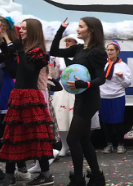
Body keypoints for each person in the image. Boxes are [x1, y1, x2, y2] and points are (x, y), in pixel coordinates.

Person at [50, 17, 106, 186]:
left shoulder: (97, 52)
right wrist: (61, 29)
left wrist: (85, 84)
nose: (77, 29)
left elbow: (101, 79)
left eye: (81, 27)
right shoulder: (79, 49)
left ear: (91, 30)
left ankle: (79, 180)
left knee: (73, 139)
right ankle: (96, 177)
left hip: (90, 99)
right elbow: (54, 50)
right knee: (83, 140)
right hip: (81, 98)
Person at [0, 19, 54, 186]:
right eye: (20, 28)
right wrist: (4, 41)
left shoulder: (38, 52)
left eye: (24, 28)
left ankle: (46, 174)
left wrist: (18, 50)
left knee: (37, 135)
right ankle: (9, 175)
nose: (20, 31)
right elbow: (14, 71)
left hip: (30, 96)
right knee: (13, 135)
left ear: (32, 31)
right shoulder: (23, 50)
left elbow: (29, 71)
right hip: (18, 95)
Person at [49, 34, 81, 158]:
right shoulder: (60, 56)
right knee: (61, 116)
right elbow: (54, 74)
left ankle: (76, 145)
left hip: (77, 87)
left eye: (70, 41)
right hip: (63, 88)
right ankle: (64, 145)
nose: (67, 43)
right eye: (66, 41)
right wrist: (52, 64)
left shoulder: (80, 55)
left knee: (76, 118)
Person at [100, 41, 131, 155]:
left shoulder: (123, 65)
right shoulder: (103, 64)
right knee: (106, 122)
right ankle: (108, 144)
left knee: (118, 122)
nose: (109, 52)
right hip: (103, 96)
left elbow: (128, 83)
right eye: (108, 50)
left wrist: (122, 77)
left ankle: (120, 144)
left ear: (118, 52)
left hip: (117, 96)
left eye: (112, 50)